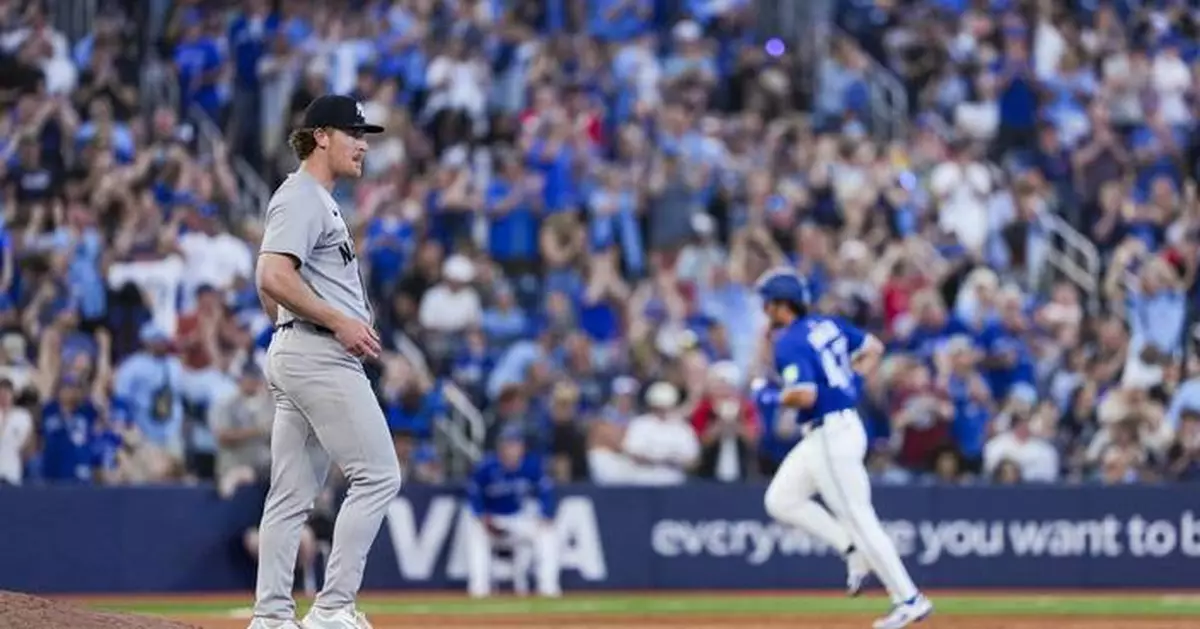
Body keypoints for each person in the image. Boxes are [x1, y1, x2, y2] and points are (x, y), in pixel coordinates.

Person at [250, 94, 402, 629]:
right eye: (354, 133)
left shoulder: (313, 199)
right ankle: (333, 608)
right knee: (378, 476)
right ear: (321, 136)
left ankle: (271, 616)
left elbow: (270, 283)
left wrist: (291, 327)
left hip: (301, 348)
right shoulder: (303, 196)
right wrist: (334, 322)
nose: (363, 145)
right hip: (319, 355)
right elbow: (271, 275)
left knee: (290, 495)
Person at [756, 268, 932, 629]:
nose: (764, 309)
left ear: (781, 304)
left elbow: (805, 394)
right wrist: (850, 381)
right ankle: (851, 549)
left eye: (768, 302)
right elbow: (874, 348)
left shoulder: (789, 341)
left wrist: (768, 396)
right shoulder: (827, 324)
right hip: (832, 429)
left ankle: (909, 598)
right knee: (781, 499)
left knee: (860, 517)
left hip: (831, 434)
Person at [465, 426, 560, 599]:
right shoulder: (486, 467)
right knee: (475, 532)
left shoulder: (531, 465)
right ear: (500, 446)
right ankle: (479, 590)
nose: (511, 449)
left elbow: (546, 492)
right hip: (494, 519)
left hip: (519, 520)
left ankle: (548, 589)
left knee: (548, 533)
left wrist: (545, 515)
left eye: (515, 444)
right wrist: (481, 516)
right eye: (508, 444)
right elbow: (473, 495)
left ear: (522, 447)